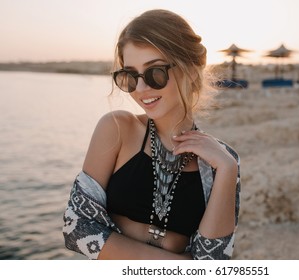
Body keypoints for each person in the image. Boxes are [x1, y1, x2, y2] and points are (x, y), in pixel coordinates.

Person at [62, 9, 240, 260]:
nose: (142, 89)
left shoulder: (222, 162)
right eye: (130, 76)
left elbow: (214, 262)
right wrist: (169, 246)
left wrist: (228, 168)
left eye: (155, 72)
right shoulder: (117, 129)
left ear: (191, 67)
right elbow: (76, 228)